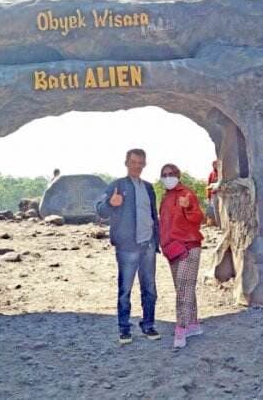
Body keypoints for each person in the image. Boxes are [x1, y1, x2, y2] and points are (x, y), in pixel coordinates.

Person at [95, 148, 161, 345]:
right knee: (125, 289)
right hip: (127, 247)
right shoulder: (117, 185)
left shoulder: (148, 187)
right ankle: (124, 328)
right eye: (133, 162)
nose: (137, 166)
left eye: (140, 162)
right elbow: (100, 210)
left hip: (147, 245)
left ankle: (148, 325)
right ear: (126, 163)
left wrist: (156, 240)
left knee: (150, 288)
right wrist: (111, 203)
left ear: (145, 164)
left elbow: (152, 216)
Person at [159, 163, 205, 348]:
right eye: (164, 174)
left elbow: (198, 218)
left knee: (184, 288)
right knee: (183, 288)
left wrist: (187, 208)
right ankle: (193, 324)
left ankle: (181, 328)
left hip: (189, 246)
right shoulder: (166, 197)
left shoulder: (186, 194)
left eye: (171, 174)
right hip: (172, 248)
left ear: (178, 175)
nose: (168, 177)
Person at [206, 160, 221, 227]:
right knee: (216, 210)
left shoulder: (221, 172)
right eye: (213, 165)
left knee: (222, 210)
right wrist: (209, 196)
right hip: (214, 194)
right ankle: (219, 225)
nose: (214, 166)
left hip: (222, 194)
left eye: (216, 164)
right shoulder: (211, 174)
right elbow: (208, 185)